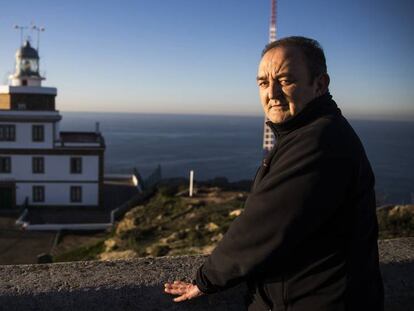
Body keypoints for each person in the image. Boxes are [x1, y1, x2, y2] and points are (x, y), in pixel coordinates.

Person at [164, 36, 384, 311]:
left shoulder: (319, 141)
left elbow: (261, 225)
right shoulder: (311, 132)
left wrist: (206, 280)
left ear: (320, 84)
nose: (272, 93)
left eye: (285, 80)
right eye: (263, 82)